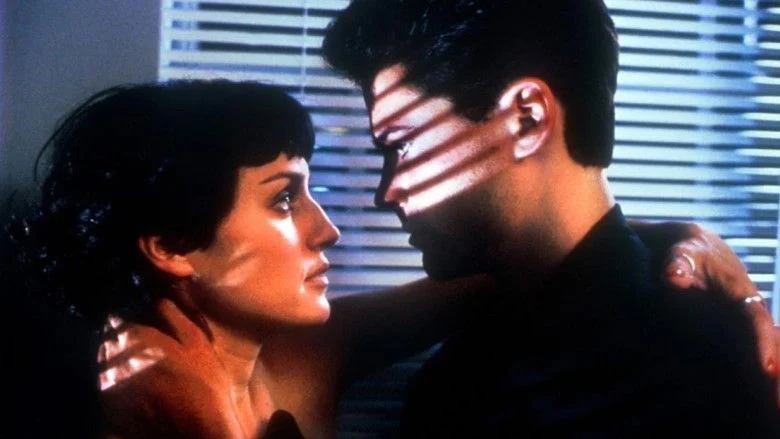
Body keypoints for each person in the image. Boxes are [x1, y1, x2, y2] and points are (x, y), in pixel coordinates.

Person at [7, 78, 776, 439]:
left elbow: (514, 265)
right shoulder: (133, 396)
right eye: (284, 200)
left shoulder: (299, 352)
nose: (328, 231)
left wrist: (690, 240)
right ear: (172, 246)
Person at [321, 0, 780, 436]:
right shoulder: (466, 368)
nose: (386, 192)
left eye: (402, 145)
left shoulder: (689, 369)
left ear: (527, 118)